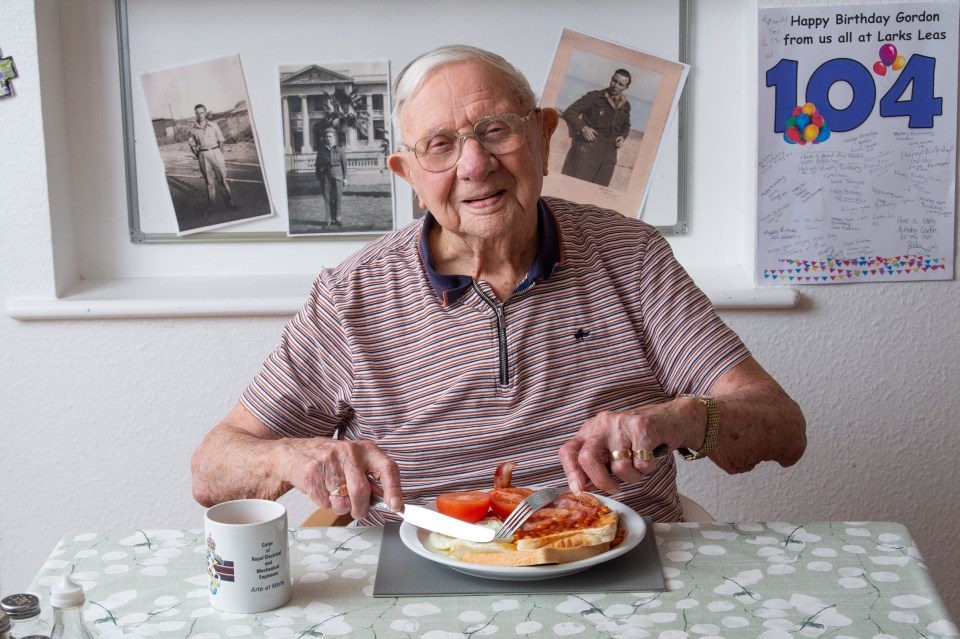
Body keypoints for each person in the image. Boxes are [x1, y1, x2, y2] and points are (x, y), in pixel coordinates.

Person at [191, 45, 805, 526]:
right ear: (409, 173)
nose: (475, 165)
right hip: (419, 594)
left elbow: (781, 425)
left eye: (495, 131)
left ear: (543, 134)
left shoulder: (633, 258)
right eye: (440, 145)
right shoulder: (351, 295)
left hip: (619, 576)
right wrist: (287, 456)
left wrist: (683, 418)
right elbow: (212, 466)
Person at [561, 69, 633, 187]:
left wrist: (622, 136)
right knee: (575, 188)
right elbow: (570, 112)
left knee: (596, 195)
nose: (615, 86)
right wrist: (583, 128)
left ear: (626, 88)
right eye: (614, 81)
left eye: (621, 84)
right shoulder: (595, 97)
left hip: (609, 156)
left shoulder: (625, 105)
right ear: (611, 79)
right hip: (588, 150)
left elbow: (626, 125)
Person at [188, 104, 235, 210]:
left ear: (205, 113)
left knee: (222, 179)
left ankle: (229, 202)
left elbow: (221, 140)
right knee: (209, 182)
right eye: (197, 113)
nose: (200, 115)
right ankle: (213, 206)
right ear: (195, 114)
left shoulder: (214, 125)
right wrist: (198, 154)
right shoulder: (193, 129)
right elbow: (191, 144)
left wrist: (220, 153)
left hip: (215, 152)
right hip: (203, 155)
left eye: (202, 112)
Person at [314, 127, 348, 227]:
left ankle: (338, 218)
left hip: (338, 177)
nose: (328, 138)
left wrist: (345, 178)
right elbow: (318, 166)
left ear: (334, 138)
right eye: (327, 136)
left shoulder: (340, 150)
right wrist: (318, 178)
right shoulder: (321, 151)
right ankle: (328, 220)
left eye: (330, 136)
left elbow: (344, 165)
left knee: (337, 198)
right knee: (327, 199)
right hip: (325, 178)